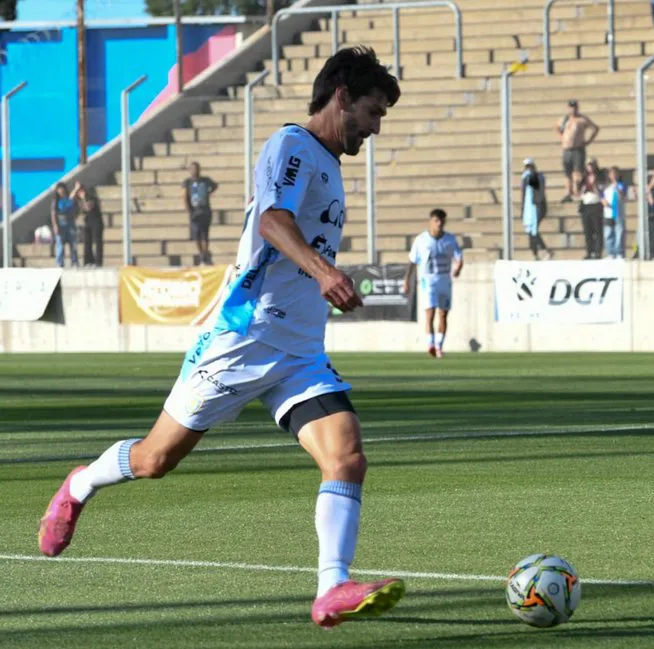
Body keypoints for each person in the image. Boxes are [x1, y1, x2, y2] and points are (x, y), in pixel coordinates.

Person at [37, 46, 406, 629]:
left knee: (348, 455)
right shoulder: (292, 146)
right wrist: (326, 272)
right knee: (156, 459)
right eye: (372, 110)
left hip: (299, 352)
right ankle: (81, 483)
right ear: (341, 96)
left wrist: (323, 275)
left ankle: (331, 588)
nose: (376, 126)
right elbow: (272, 221)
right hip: (243, 337)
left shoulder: (330, 164)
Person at [403, 208, 464, 358]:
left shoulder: (450, 239)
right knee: (430, 312)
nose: (439, 224)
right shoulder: (421, 240)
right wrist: (407, 281)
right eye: (436, 221)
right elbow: (412, 261)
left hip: (444, 280)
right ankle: (430, 344)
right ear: (431, 222)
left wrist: (458, 268)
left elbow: (459, 257)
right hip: (427, 281)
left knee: (443, 314)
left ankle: (439, 346)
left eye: (442, 221)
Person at [556, 100, 599, 203]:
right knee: (567, 173)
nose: (573, 109)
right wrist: (561, 137)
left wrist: (588, 141)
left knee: (577, 172)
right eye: (571, 107)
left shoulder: (582, 119)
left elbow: (595, 128)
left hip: (577, 149)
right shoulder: (564, 119)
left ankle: (578, 192)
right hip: (566, 149)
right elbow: (557, 127)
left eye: (575, 107)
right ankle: (568, 193)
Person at [182, 161, 218, 265]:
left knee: (205, 234)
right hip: (195, 211)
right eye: (192, 169)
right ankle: (201, 254)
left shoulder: (205, 180)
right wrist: (189, 210)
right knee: (196, 235)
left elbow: (215, 186)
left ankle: (205, 255)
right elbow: (184, 196)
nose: (194, 171)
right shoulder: (188, 182)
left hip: (205, 210)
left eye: (196, 168)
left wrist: (208, 193)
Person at [521, 158, 553, 260]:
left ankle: (544, 251)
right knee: (530, 232)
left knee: (534, 231)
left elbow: (539, 192)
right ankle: (535, 253)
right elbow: (524, 195)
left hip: (536, 208)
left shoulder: (538, 177)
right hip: (528, 209)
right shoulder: (525, 178)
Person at [578, 160, 604, 259]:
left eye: (592, 165)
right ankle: (589, 251)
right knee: (587, 231)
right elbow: (578, 192)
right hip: (586, 205)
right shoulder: (584, 178)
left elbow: (601, 190)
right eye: (588, 165)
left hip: (596, 204)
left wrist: (594, 184)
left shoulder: (600, 176)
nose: (590, 167)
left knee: (597, 230)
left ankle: (598, 252)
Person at [51, 182, 80, 268]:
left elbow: (73, 202)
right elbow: (53, 214)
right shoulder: (56, 201)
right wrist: (55, 225)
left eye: (62, 189)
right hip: (61, 224)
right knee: (60, 245)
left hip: (70, 223)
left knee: (73, 244)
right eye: (59, 189)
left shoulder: (69, 199)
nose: (61, 191)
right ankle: (59, 263)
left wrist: (76, 189)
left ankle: (74, 262)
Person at [601, 166, 626, 259]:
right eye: (611, 174)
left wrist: (618, 188)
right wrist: (603, 201)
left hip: (618, 213)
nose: (613, 176)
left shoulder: (621, 185)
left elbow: (623, 195)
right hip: (608, 213)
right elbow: (602, 196)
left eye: (615, 174)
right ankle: (610, 252)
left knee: (619, 233)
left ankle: (619, 252)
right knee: (608, 233)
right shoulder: (606, 186)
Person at [78, 183, 104, 268]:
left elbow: (88, 207)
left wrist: (83, 198)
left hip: (96, 221)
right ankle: (88, 261)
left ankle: (98, 262)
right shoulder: (79, 200)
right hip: (87, 222)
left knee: (97, 242)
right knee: (87, 242)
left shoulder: (91, 198)